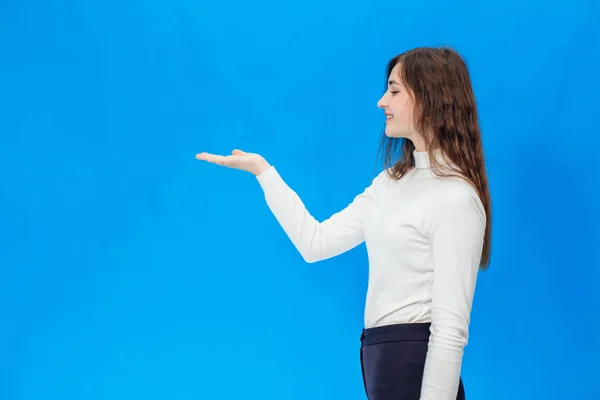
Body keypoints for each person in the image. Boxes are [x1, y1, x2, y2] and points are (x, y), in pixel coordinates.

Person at [196, 46, 492, 400]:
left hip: (415, 364)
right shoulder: (391, 183)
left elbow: (450, 328)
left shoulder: (455, 198)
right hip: (379, 359)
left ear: (431, 97)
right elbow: (315, 243)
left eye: (395, 90)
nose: (382, 101)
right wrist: (264, 173)